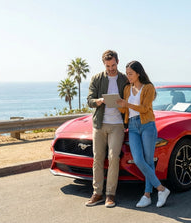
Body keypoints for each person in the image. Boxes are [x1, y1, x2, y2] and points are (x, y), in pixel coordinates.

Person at [116, 61, 170, 208]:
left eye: (131, 74)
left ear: (138, 73)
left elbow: (145, 109)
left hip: (147, 125)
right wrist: (117, 105)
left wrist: (126, 104)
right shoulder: (127, 88)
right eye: (127, 73)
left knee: (148, 160)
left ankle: (147, 195)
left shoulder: (149, 88)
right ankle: (161, 189)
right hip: (132, 126)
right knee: (139, 159)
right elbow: (125, 111)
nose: (128, 76)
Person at [85, 50, 129, 208]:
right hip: (99, 124)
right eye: (108, 66)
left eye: (113, 65)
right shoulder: (97, 78)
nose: (111, 68)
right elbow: (89, 100)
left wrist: (122, 103)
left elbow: (130, 100)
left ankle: (110, 195)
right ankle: (97, 193)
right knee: (97, 158)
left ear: (118, 62)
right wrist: (99, 101)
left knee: (113, 158)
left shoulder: (124, 79)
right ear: (104, 64)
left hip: (117, 125)